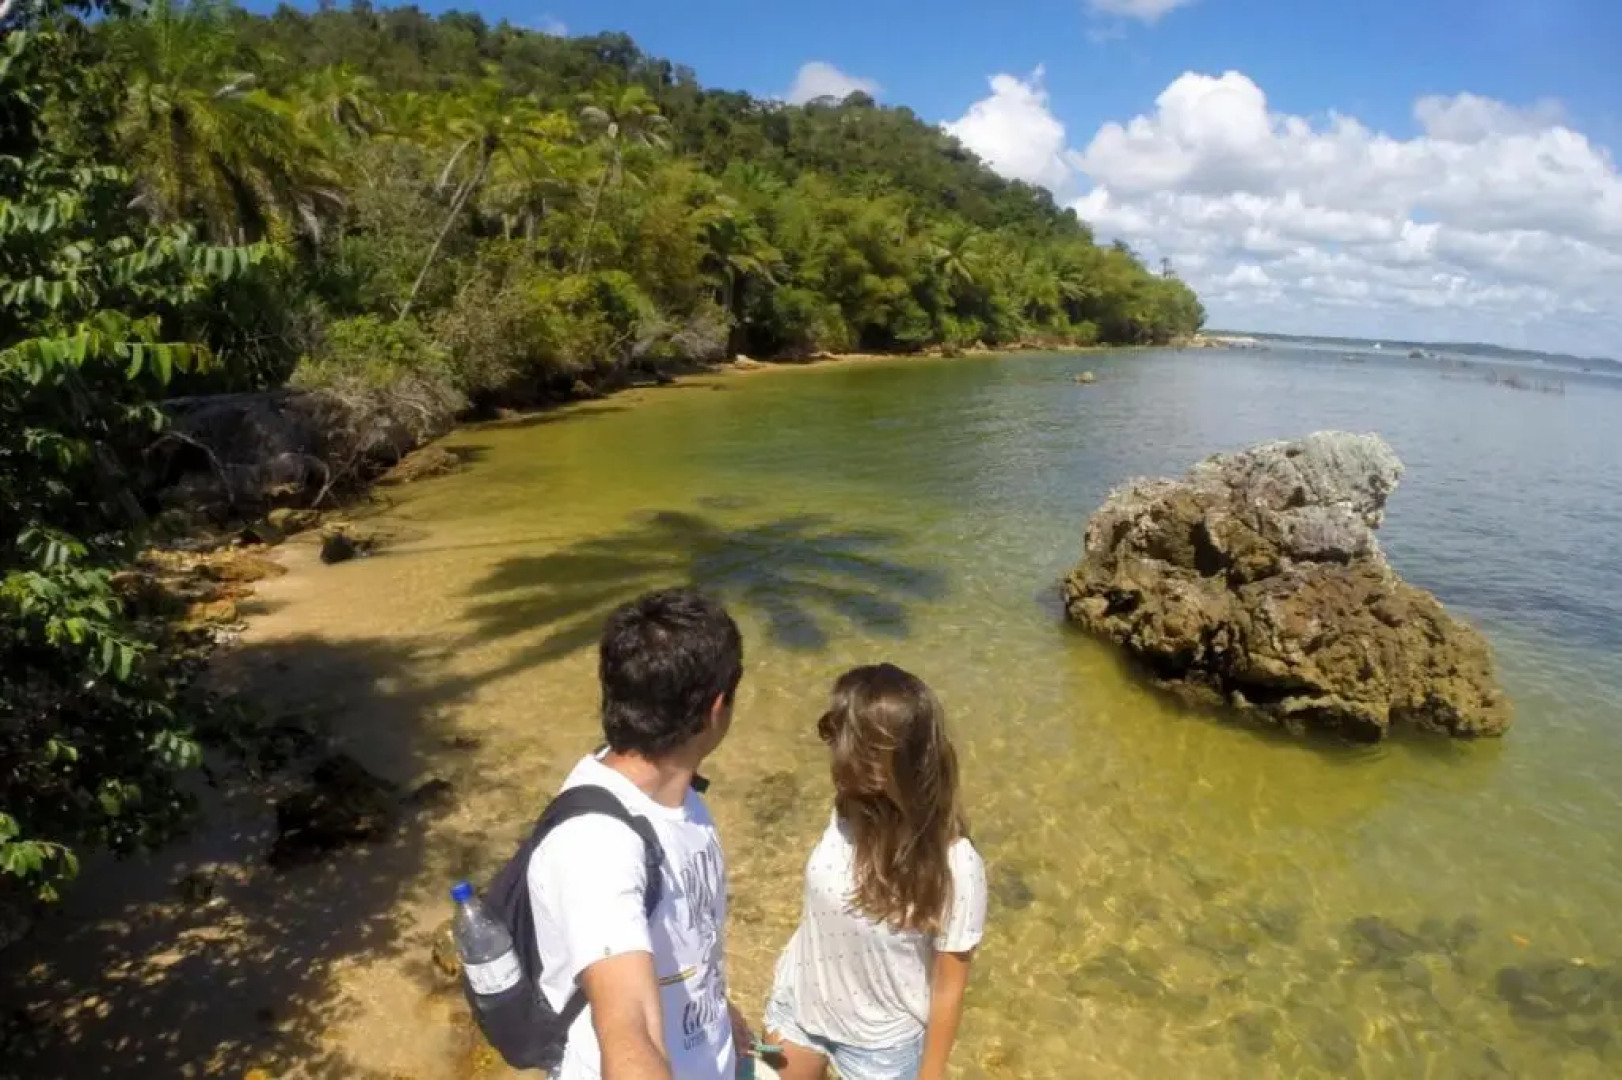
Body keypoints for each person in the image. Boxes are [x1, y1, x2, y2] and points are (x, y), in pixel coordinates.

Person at [527, 588, 756, 1080]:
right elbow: (629, 1028)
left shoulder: (679, 798)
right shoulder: (597, 844)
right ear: (717, 709)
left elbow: (685, 943)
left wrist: (718, 1014)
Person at [764, 664, 987, 1080]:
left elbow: (948, 986)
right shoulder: (848, 811)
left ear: (885, 758)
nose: (830, 745)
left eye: (839, 733)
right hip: (796, 1008)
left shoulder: (957, 866)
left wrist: (931, 1073)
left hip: (882, 1047)